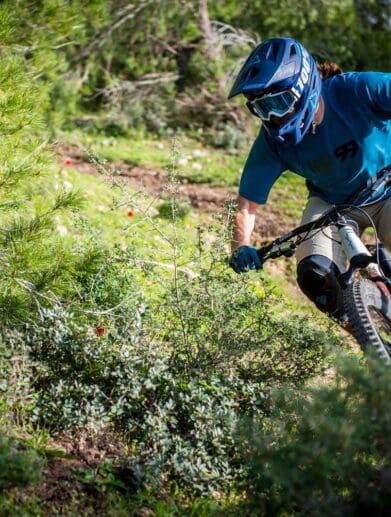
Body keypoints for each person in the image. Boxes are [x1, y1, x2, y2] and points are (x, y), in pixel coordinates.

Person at [228, 37, 391, 318]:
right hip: (333, 205)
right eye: (263, 109)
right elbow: (247, 204)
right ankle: (372, 345)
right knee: (315, 275)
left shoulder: (356, 89)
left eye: (280, 102)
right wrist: (240, 245)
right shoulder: (272, 142)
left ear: (304, 86)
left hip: (386, 186)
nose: (275, 117)